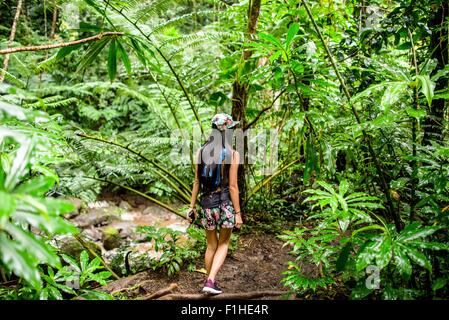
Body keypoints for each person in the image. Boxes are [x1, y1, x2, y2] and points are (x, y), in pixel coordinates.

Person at [186, 113, 243, 295]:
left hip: (206, 204)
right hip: (225, 203)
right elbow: (233, 187)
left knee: (211, 245)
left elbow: (196, 182)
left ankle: (208, 282)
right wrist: (238, 213)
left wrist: (191, 207)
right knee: (224, 243)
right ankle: (210, 281)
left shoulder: (200, 151)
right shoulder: (233, 154)